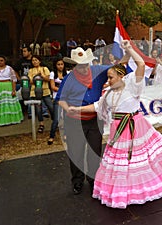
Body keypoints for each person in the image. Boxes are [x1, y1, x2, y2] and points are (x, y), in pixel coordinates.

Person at [68, 40, 162, 209]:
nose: (108, 81)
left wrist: (130, 49)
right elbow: (97, 106)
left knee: (137, 161)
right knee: (121, 164)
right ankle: (124, 191)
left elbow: (140, 64)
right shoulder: (108, 93)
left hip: (134, 127)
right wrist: (77, 109)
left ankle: (141, 189)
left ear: (121, 76)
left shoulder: (133, 86)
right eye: (108, 78)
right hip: (118, 130)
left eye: (110, 77)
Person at [56, 47, 110, 195]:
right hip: (74, 122)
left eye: (86, 64)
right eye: (80, 65)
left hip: (94, 120)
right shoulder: (69, 79)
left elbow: (119, 68)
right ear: (74, 66)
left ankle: (94, 180)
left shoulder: (98, 70)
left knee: (94, 151)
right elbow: (60, 99)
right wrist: (67, 109)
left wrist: (128, 50)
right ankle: (77, 181)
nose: (85, 68)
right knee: (76, 152)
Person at [0, 55, 23, 126]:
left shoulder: (9, 68)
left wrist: (13, 90)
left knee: (9, 103)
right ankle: (0, 121)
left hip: (7, 86)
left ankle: (11, 120)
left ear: (5, 61)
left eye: (1, 60)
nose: (0, 62)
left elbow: (14, 80)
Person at [28, 55, 54, 133]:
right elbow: (31, 81)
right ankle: (41, 124)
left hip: (45, 91)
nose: (34, 62)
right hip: (35, 92)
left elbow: (48, 79)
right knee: (38, 109)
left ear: (39, 61)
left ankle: (55, 121)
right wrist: (37, 76)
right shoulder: (30, 70)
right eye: (33, 60)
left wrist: (42, 75)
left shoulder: (44, 68)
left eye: (36, 60)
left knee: (51, 106)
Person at [47, 58, 68, 145]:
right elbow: (52, 87)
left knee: (67, 118)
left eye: (62, 64)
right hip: (57, 98)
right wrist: (62, 90)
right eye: (58, 64)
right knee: (56, 119)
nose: (60, 66)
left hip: (66, 98)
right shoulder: (52, 74)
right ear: (56, 65)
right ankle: (51, 136)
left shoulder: (67, 73)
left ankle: (66, 135)